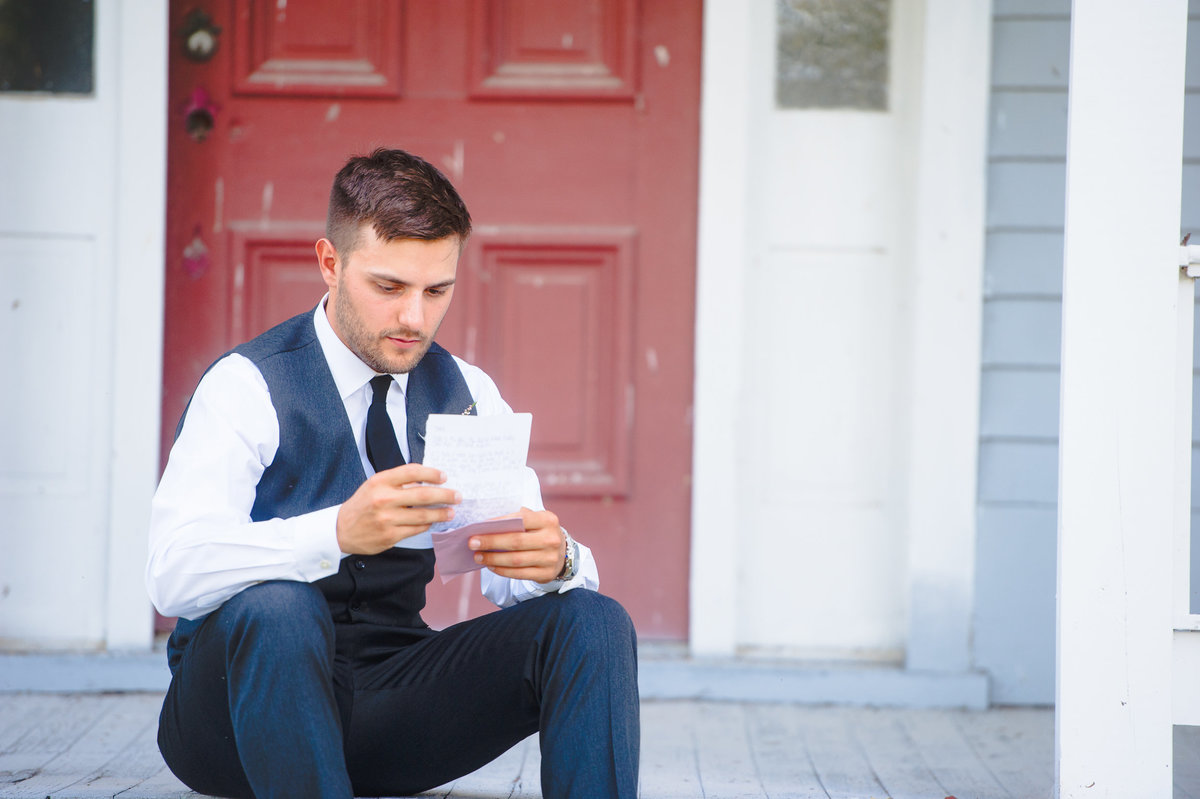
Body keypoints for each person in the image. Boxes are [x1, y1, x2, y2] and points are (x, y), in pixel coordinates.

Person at [145, 148, 640, 799]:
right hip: (234, 720)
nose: (415, 317)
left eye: (437, 291)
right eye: (389, 287)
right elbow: (172, 574)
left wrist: (558, 561)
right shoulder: (247, 387)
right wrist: (337, 532)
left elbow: (510, 576)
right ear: (330, 263)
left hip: (387, 702)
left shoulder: (465, 391)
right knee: (278, 608)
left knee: (593, 619)